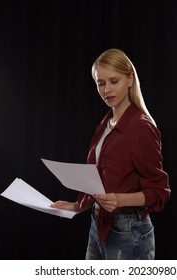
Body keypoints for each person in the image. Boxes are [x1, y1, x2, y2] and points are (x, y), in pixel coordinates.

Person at [51, 48, 170, 260]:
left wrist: (120, 199)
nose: (107, 90)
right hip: (98, 225)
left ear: (130, 79)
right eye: (101, 83)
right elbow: (97, 180)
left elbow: (160, 192)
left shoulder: (141, 128)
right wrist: (77, 207)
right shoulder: (106, 124)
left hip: (129, 231)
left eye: (114, 81)